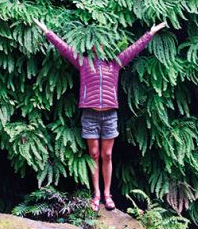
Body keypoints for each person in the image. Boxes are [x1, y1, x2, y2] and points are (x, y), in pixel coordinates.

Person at [33, 18, 168, 211]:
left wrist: (151, 32)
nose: (99, 47)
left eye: (102, 44)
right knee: (94, 155)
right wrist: (47, 31)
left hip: (109, 116)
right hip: (90, 115)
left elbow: (134, 48)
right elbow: (64, 48)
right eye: (96, 44)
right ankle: (96, 194)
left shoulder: (115, 63)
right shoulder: (84, 63)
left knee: (107, 154)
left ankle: (107, 194)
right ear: (91, 47)